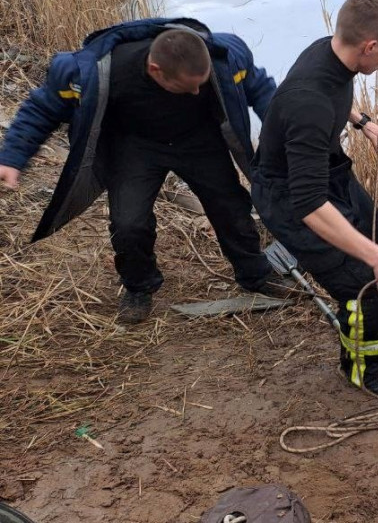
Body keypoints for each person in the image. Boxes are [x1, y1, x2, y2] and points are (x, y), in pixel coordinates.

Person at [0, 18, 288, 323]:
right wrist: (12, 157)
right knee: (128, 223)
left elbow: (265, 93)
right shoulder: (93, 72)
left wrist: (290, 136)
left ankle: (256, 275)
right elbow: (42, 109)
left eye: (200, 86)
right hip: (135, 145)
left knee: (231, 208)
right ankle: (139, 287)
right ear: (155, 71)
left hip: (199, 139)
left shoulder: (225, 57)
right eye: (186, 87)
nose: (195, 93)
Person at [251, 0, 378, 400]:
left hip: (330, 174)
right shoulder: (309, 103)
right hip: (292, 197)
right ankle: (366, 370)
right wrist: (377, 260)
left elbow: (330, 93)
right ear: (368, 46)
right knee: (366, 282)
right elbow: (310, 207)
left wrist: (360, 121)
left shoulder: (329, 51)